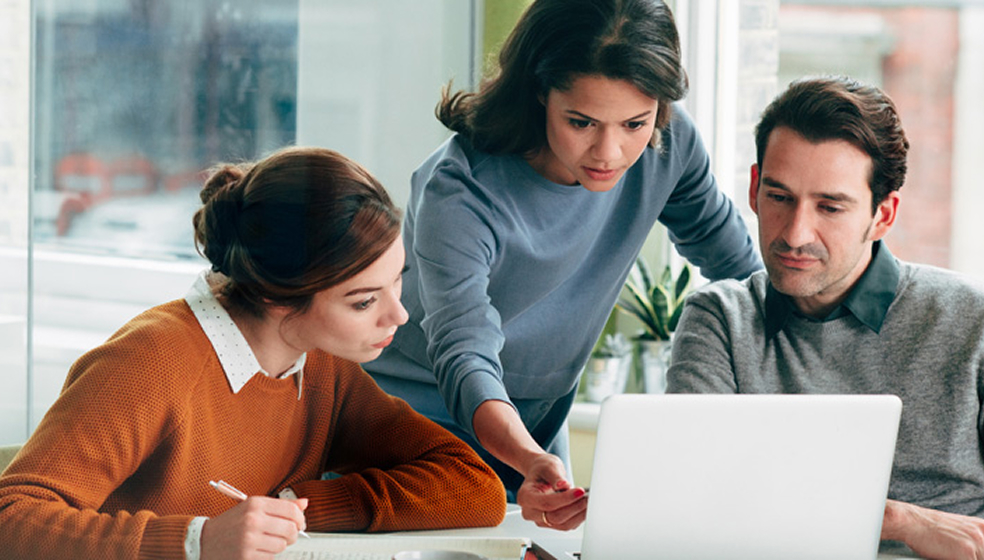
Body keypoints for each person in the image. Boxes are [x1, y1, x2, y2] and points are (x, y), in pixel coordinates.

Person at [362, 0, 762, 531]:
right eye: (581, 122)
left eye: (634, 123)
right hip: (413, 416)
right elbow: (465, 355)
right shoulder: (459, 191)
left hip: (537, 424)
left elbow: (739, 268)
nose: (610, 151)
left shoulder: (671, 143)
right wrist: (526, 459)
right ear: (539, 94)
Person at [0, 147, 506, 560]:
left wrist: (294, 509)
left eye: (397, 283)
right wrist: (196, 541)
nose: (399, 316)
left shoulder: (321, 364)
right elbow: (11, 517)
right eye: (364, 301)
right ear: (277, 296)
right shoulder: (150, 362)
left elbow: (474, 487)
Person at [666, 75, 984, 559]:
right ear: (753, 188)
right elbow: (699, 501)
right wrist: (899, 520)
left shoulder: (971, 321)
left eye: (830, 207)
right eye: (779, 197)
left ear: (883, 215)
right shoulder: (719, 320)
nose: (795, 234)